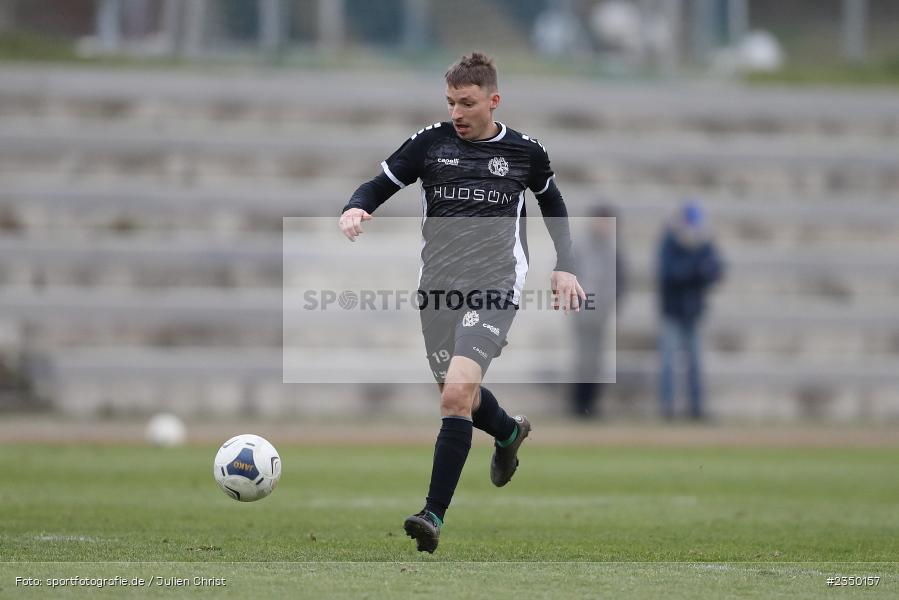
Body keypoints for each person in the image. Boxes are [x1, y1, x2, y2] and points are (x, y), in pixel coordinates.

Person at [338, 52, 585, 553]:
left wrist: (565, 263)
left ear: (493, 101)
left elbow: (552, 203)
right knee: (464, 400)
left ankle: (432, 514)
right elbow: (381, 182)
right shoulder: (431, 143)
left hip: (495, 284)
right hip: (438, 289)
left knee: (454, 396)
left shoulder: (525, 152)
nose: (457, 112)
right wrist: (356, 206)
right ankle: (510, 432)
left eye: (467, 103)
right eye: (450, 102)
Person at [656, 201, 724, 420]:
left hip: (694, 311)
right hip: (673, 311)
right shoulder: (670, 241)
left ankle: (696, 408)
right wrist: (695, 270)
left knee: (696, 363)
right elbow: (671, 274)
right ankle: (668, 408)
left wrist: (694, 271)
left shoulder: (704, 242)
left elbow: (716, 271)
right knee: (668, 362)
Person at [570, 204, 627, 418]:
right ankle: (579, 405)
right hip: (582, 314)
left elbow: (620, 280)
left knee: (597, 362)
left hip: (602, 315)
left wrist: (610, 304)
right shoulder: (580, 246)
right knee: (583, 360)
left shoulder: (612, 249)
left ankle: (591, 405)